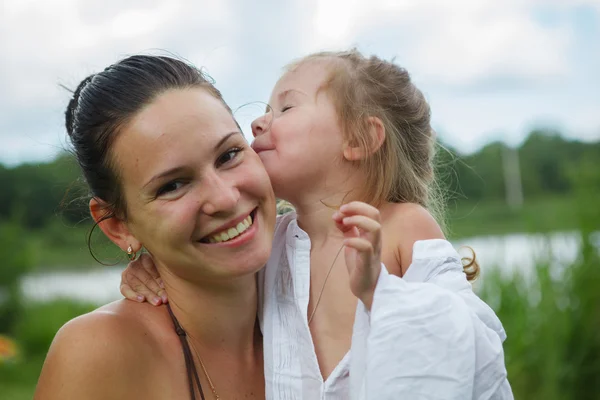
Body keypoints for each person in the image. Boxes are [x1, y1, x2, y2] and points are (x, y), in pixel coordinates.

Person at [121, 50, 513, 399]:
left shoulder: (401, 225)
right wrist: (153, 264)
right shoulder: (271, 243)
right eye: (266, 110)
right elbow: (213, 276)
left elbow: (458, 328)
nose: (258, 123)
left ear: (360, 138)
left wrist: (380, 293)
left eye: (285, 109)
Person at [34, 55, 278, 399]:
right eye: (173, 185)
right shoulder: (99, 355)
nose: (224, 198)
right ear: (118, 227)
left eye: (228, 155)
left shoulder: (330, 286)